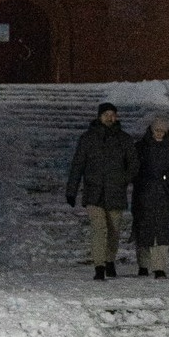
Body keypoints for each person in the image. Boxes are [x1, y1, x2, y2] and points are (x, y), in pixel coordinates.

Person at [65, 101, 137, 280]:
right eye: (106, 114)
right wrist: (71, 190)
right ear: (99, 116)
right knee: (99, 228)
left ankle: (109, 260)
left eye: (113, 114)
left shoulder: (124, 139)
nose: (110, 118)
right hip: (93, 191)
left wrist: (123, 179)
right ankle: (99, 266)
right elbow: (78, 165)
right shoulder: (88, 138)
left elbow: (134, 164)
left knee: (114, 230)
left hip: (115, 191)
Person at [132, 118, 169, 278]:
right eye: (157, 130)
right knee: (143, 227)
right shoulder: (140, 148)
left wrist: (167, 182)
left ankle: (159, 267)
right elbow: (132, 168)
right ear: (151, 131)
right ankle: (144, 264)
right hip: (143, 193)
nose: (159, 133)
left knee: (160, 229)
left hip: (162, 194)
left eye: (162, 131)